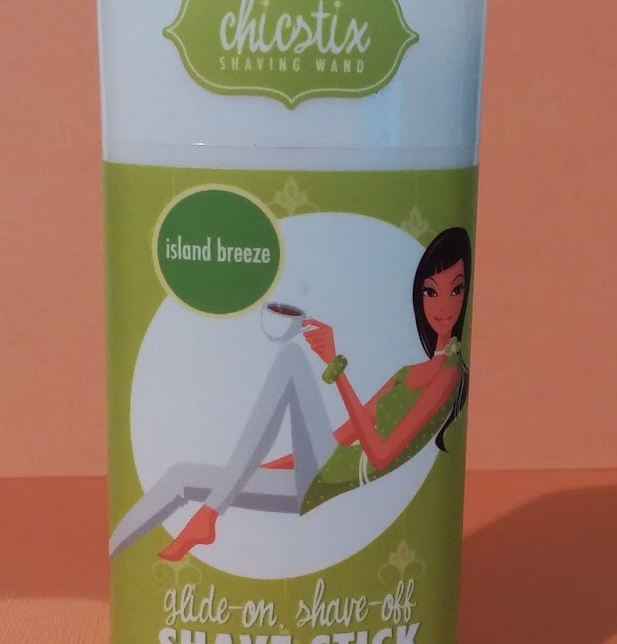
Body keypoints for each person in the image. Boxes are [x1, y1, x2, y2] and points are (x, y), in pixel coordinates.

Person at [108, 227, 471, 562]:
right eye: (431, 292)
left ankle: (207, 516)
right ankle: (146, 545)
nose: (442, 305)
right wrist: (242, 473)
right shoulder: (407, 373)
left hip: (328, 482)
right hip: (320, 467)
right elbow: (342, 435)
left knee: (292, 359)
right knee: (181, 476)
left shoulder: (449, 376)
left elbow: (379, 455)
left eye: (455, 289)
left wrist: (335, 366)